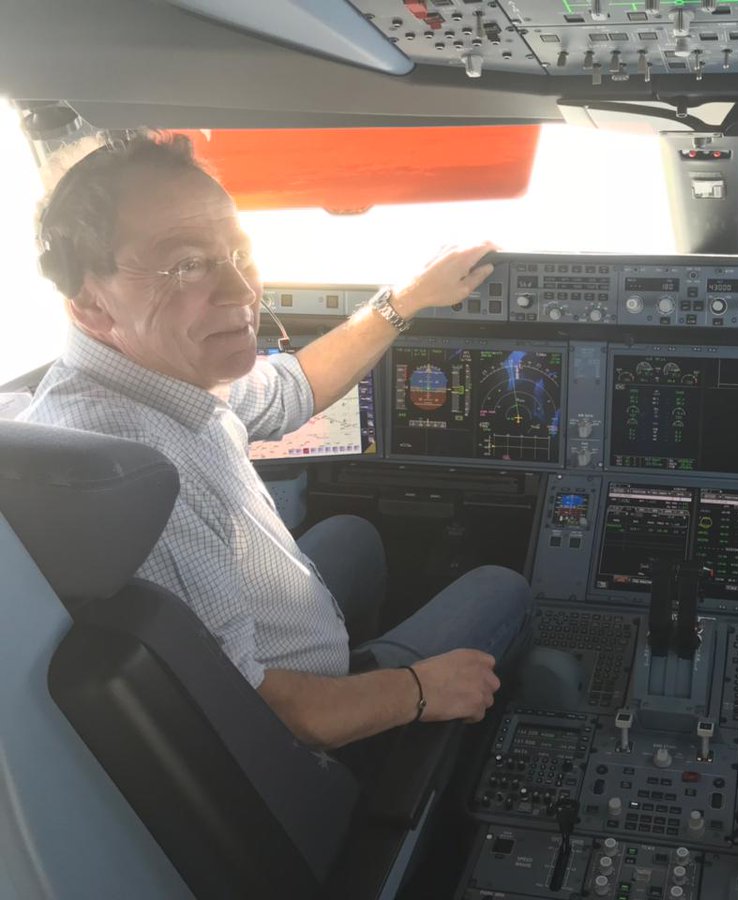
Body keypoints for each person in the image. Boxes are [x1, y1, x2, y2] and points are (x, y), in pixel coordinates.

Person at [19, 130, 532, 750]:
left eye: (238, 251)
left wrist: (405, 301)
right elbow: (249, 710)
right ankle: (402, 747)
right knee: (502, 587)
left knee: (352, 533)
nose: (242, 292)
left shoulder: (150, 377)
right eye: (186, 265)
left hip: (282, 645)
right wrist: (416, 690)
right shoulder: (139, 482)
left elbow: (292, 389)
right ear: (90, 305)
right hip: (301, 736)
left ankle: (361, 662)